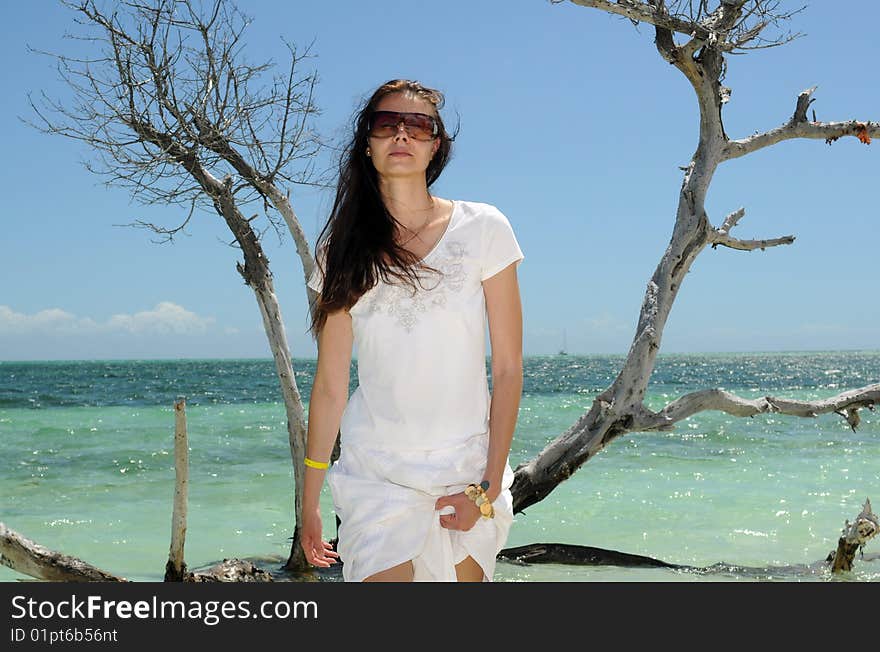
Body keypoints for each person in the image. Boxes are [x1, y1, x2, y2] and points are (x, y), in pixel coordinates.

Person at [301, 78, 524, 582]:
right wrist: (310, 499)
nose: (402, 133)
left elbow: (508, 369)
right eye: (387, 123)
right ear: (367, 142)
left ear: (435, 144)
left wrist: (486, 489)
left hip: (465, 467)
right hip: (376, 473)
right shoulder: (340, 250)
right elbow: (332, 385)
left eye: (418, 125)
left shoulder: (484, 227)